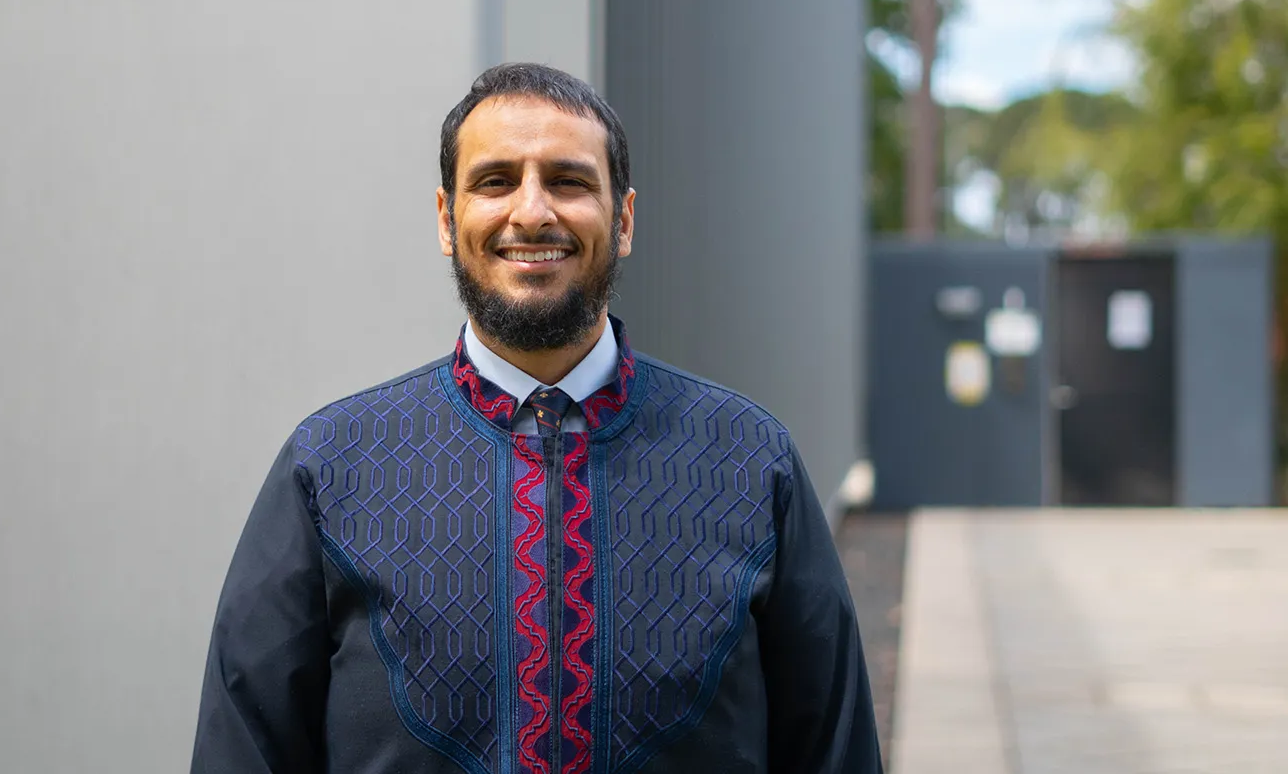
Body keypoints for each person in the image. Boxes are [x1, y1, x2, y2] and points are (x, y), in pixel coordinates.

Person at [191, 63, 883, 773]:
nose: (531, 212)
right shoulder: (332, 469)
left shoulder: (748, 461)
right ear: (444, 217)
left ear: (624, 220)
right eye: (495, 181)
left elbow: (835, 750)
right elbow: (243, 751)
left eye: (568, 180)